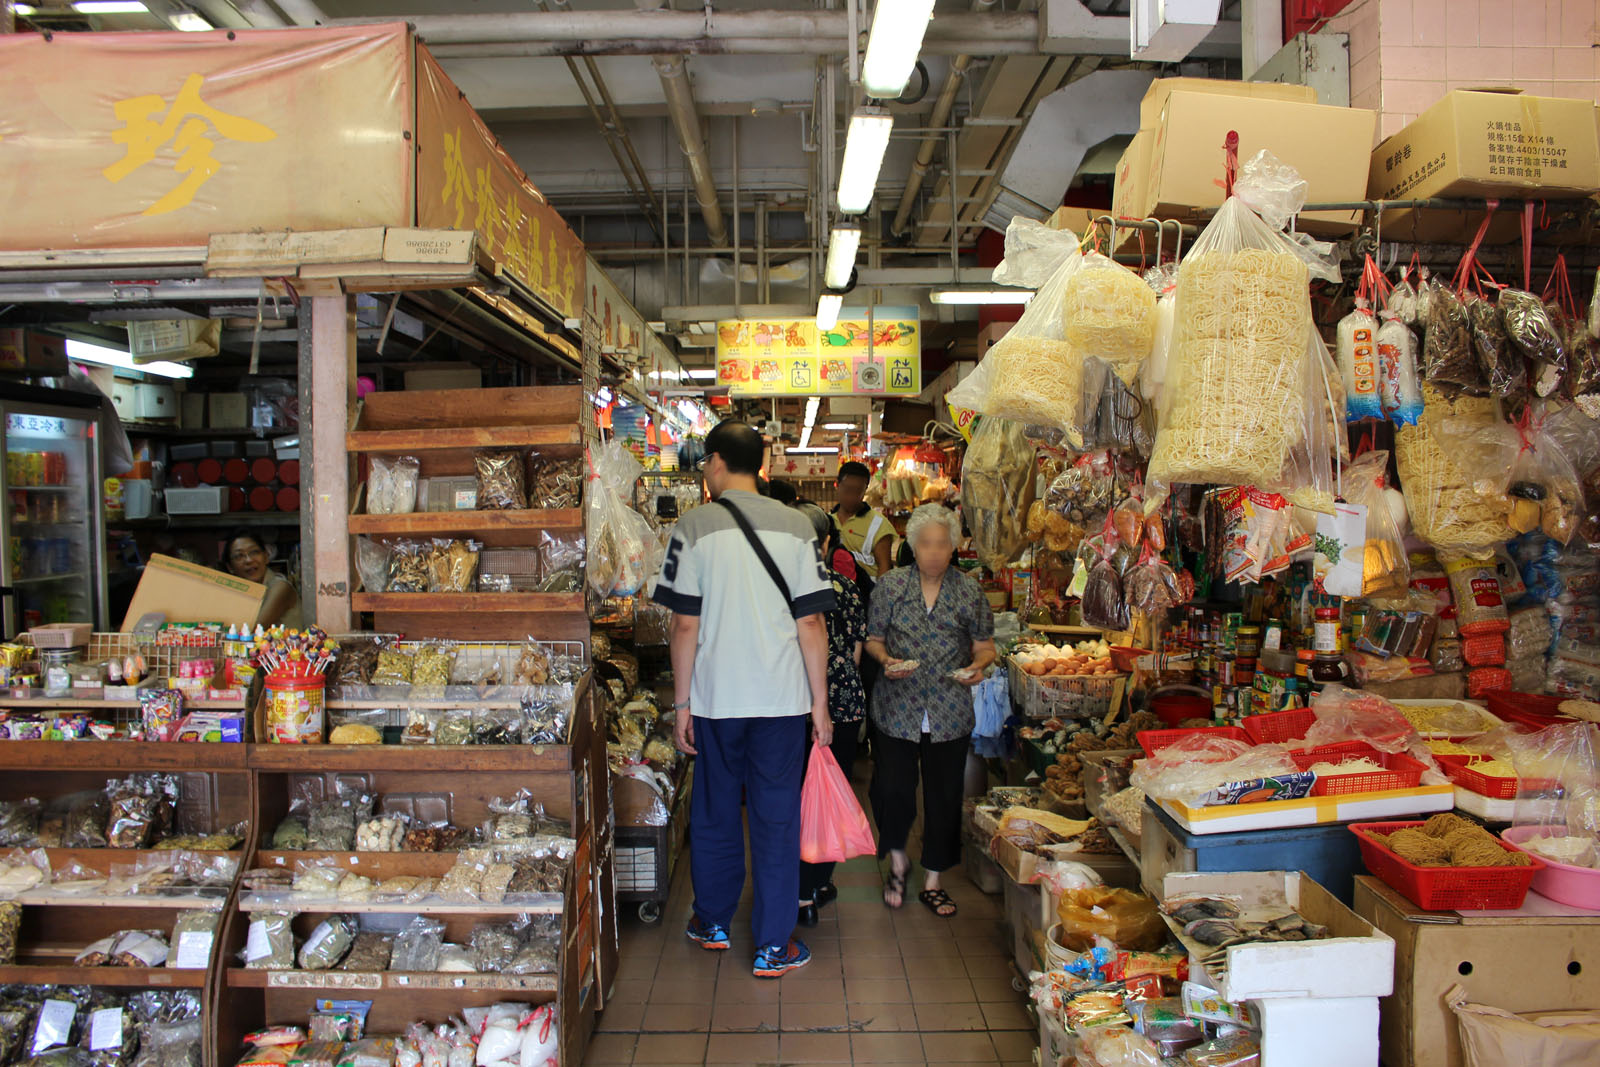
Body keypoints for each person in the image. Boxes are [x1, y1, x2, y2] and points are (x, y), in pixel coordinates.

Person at [651, 420, 835, 978]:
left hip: (714, 701)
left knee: (714, 812)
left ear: (714, 463)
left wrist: (681, 705)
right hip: (781, 702)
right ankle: (773, 946)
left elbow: (685, 626)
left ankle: (712, 922)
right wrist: (820, 707)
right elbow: (812, 626)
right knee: (776, 818)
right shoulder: (798, 526)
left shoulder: (693, 526)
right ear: (761, 465)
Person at [865, 504, 995, 916]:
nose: (935, 552)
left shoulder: (969, 591)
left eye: (943, 544)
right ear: (913, 546)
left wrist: (977, 668)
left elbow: (985, 646)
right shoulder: (890, 587)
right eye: (926, 544)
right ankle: (898, 860)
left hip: (948, 708)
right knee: (892, 790)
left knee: (944, 795)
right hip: (896, 707)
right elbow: (873, 638)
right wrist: (886, 661)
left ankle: (935, 877)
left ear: (954, 547)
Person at [792, 503, 868, 929]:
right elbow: (855, 654)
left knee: (796, 798)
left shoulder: (780, 590)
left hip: (795, 703)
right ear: (825, 544)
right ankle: (818, 883)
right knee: (829, 793)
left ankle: (797, 891)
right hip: (841, 700)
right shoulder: (845, 587)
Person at [223, 531, 304, 628]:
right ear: (230, 567)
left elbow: (254, 630)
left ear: (266, 557)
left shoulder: (280, 587)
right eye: (239, 556)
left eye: (254, 552)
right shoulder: (244, 594)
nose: (249, 560)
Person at [833, 461, 894, 581]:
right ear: (837, 485)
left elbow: (884, 569)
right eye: (848, 489)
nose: (852, 497)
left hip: (867, 595)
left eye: (858, 491)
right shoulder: (827, 521)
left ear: (865, 489)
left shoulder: (880, 524)